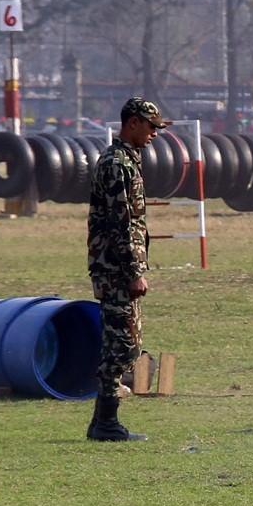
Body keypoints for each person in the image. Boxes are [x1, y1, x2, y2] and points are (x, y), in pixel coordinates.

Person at [86, 97, 169, 441]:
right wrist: (134, 271)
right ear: (133, 122)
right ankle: (104, 422)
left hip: (116, 266)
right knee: (122, 344)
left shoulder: (127, 160)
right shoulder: (117, 163)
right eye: (150, 127)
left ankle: (104, 421)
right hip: (116, 269)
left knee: (126, 343)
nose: (153, 134)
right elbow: (121, 223)